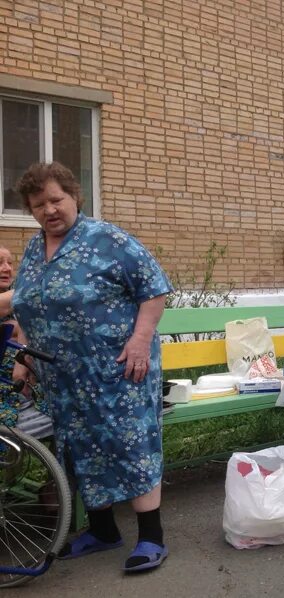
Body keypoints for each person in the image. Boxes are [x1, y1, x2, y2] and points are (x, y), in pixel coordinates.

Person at [11, 162, 173, 572]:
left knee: (130, 443)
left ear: (73, 196)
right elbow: (31, 305)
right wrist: (25, 355)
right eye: (38, 205)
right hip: (62, 376)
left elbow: (154, 288)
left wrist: (139, 341)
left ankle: (152, 538)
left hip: (118, 369)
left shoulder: (107, 239)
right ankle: (103, 531)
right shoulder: (33, 249)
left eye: (55, 199)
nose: (49, 210)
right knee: (80, 447)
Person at [0, 246, 52, 439]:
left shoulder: (17, 301)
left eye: (10, 263)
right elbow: (24, 298)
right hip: (8, 398)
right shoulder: (17, 298)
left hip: (30, 391)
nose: (6, 269)